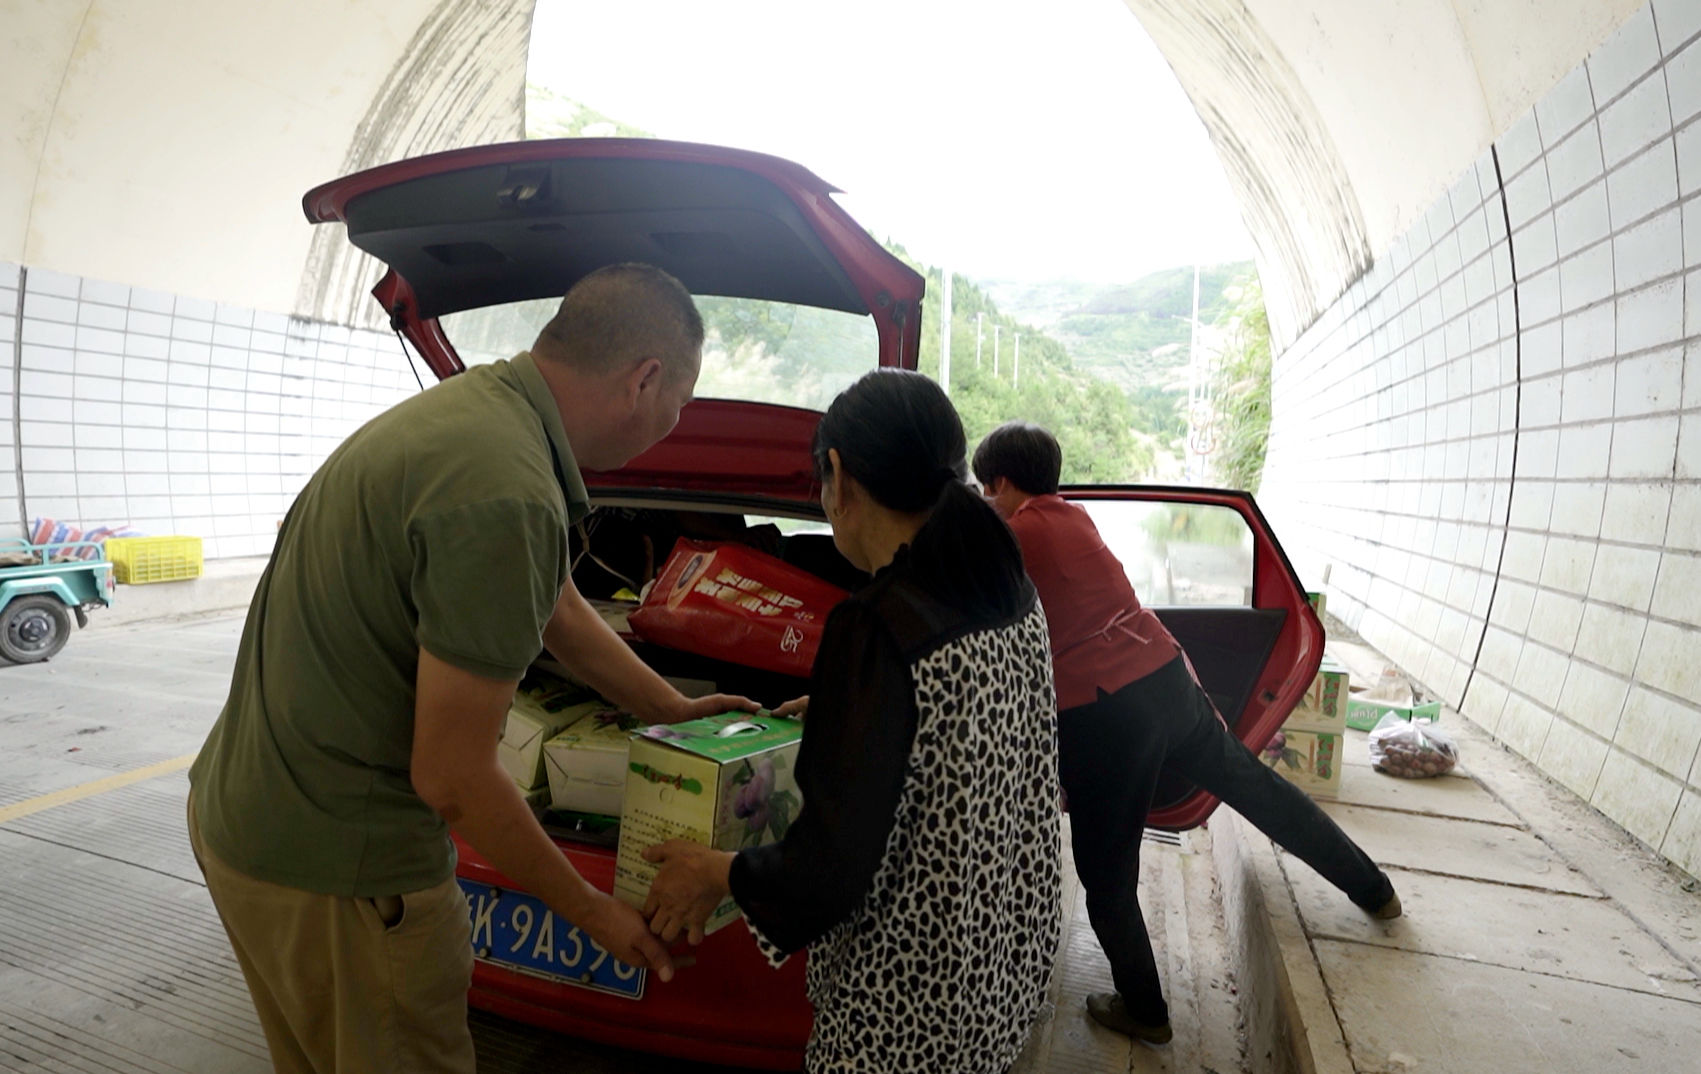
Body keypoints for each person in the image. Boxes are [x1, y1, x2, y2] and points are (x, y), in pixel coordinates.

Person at [186, 263, 757, 1074]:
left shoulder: (482, 416)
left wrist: (671, 711)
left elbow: (556, 606)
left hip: (250, 821)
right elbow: (452, 777)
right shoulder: (507, 489)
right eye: (682, 402)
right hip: (344, 869)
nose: (676, 420)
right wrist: (590, 912)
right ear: (646, 379)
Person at [642, 370, 1063, 1074]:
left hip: (903, 1013)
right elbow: (957, 736)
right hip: (996, 967)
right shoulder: (1003, 584)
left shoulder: (877, 624)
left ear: (836, 474)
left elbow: (826, 871)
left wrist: (711, 871)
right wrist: (855, 715)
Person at [971, 420, 1400, 1045]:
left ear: (1002, 483)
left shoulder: (1017, 530)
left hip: (1105, 711)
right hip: (1167, 679)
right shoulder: (1073, 518)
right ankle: (1375, 888)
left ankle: (1145, 1009)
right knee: (1263, 795)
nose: (986, 501)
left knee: (1107, 875)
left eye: (987, 490)